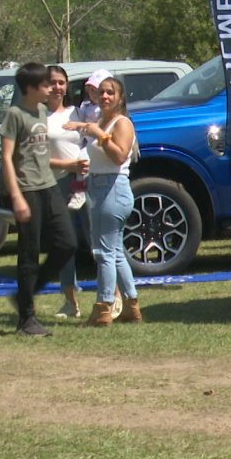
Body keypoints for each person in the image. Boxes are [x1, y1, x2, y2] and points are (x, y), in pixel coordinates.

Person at [0, 62, 77, 336]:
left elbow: (41, 154)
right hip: (27, 189)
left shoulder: (42, 111)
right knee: (29, 253)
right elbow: (6, 157)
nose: (50, 89)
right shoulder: (15, 115)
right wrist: (16, 196)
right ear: (30, 88)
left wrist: (66, 165)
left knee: (67, 243)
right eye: (45, 85)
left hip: (49, 185)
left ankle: (26, 293)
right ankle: (26, 319)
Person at [65, 76, 142, 326]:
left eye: (110, 92)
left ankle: (103, 308)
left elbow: (120, 156)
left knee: (103, 253)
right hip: (99, 186)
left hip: (112, 188)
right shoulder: (102, 121)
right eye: (101, 92)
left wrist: (99, 134)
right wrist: (82, 127)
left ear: (120, 98)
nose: (105, 96)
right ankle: (132, 306)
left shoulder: (122, 123)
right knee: (116, 253)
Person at [45, 65, 87, 318]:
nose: (57, 87)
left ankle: (113, 300)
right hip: (55, 185)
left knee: (97, 242)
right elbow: (35, 158)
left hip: (84, 182)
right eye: (52, 82)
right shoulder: (38, 118)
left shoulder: (77, 112)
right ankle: (70, 302)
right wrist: (67, 165)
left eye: (62, 82)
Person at [67, 68, 111, 211]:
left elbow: (97, 127)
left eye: (96, 90)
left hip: (96, 141)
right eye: (90, 90)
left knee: (82, 158)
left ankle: (80, 192)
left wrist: (79, 125)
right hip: (84, 139)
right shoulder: (86, 106)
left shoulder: (104, 109)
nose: (93, 94)